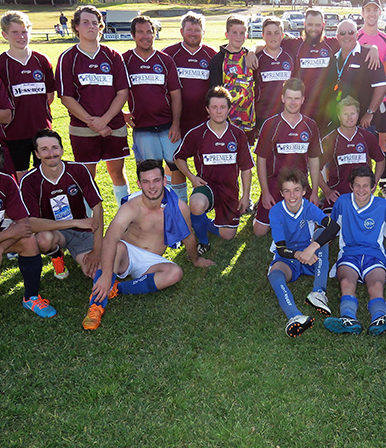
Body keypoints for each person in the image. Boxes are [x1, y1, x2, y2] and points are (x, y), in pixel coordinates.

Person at [82, 159, 212, 331]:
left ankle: (117, 288)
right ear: (139, 184)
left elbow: (188, 235)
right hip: (126, 254)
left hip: (151, 261)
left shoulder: (178, 207)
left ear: (164, 181)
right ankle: (96, 307)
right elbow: (111, 238)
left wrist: (195, 259)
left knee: (175, 273)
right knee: (117, 247)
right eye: (146, 181)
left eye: (156, 180)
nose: (152, 187)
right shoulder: (132, 207)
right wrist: (106, 274)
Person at [56, 5, 130, 206]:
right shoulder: (68, 57)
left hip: (113, 126)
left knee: (117, 172)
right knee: (87, 175)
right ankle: (89, 219)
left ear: (101, 27)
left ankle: (125, 215)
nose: (91, 26)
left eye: (95, 23)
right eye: (85, 22)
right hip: (82, 128)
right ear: (76, 27)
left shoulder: (113, 56)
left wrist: (104, 121)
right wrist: (93, 123)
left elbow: (122, 92)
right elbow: (66, 97)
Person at [323, 166, 386, 336]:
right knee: (346, 282)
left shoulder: (382, 206)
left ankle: (379, 319)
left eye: (365, 186)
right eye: (357, 185)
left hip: (374, 255)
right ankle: (348, 319)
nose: (361, 190)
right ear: (351, 186)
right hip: (349, 254)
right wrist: (319, 251)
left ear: (373, 187)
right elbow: (332, 230)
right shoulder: (342, 203)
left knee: (376, 284)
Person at [174, 86, 253, 257]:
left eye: (222, 107)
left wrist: (246, 196)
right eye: (214, 107)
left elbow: (246, 168)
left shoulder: (238, 135)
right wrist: (192, 178)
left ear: (229, 109)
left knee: (227, 235)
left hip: (229, 191)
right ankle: (203, 241)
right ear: (207, 109)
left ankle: (203, 223)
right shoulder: (197, 133)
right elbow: (178, 157)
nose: (218, 111)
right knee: (196, 204)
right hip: (206, 187)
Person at [20, 129, 103, 283]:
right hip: (53, 231)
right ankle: (57, 256)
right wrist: (74, 222)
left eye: (54, 147)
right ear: (37, 154)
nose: (51, 153)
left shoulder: (78, 170)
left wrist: (97, 250)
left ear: (62, 149)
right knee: (43, 239)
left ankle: (82, 252)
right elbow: (30, 224)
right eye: (44, 149)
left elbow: (97, 207)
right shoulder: (29, 181)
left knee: (95, 271)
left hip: (81, 232)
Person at [279, 8, 379, 133]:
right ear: (305, 24)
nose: (314, 29)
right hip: (302, 107)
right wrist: (255, 50)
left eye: (317, 25)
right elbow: (271, 44)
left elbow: (352, 44)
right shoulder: (294, 44)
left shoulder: (332, 44)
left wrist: (373, 48)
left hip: (326, 108)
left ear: (323, 25)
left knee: (325, 142)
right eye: (310, 25)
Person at [267, 168, 340, 337]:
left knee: (321, 234)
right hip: (288, 258)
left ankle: (318, 292)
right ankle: (295, 316)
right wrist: (299, 255)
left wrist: (311, 248)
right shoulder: (276, 212)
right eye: (287, 191)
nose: (292, 196)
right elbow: (281, 249)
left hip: (310, 257)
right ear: (281, 193)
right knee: (274, 274)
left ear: (304, 191)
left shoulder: (308, 207)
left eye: (296, 190)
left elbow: (333, 227)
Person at [123, 15, 187, 202]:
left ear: (154, 34)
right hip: (143, 127)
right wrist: (121, 113)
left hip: (168, 126)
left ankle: (180, 206)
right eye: (140, 32)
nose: (145, 36)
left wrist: (176, 124)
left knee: (177, 167)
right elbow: (114, 92)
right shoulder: (125, 60)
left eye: (149, 32)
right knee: (150, 172)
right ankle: (155, 210)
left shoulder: (165, 60)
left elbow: (176, 94)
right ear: (133, 35)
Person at [253, 78, 321, 236]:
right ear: (283, 98)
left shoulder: (310, 125)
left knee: (315, 227)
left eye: (297, 98)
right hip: (275, 184)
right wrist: (265, 192)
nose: (293, 102)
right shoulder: (271, 124)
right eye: (289, 98)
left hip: (300, 186)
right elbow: (261, 160)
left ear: (303, 99)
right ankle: (262, 210)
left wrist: (314, 192)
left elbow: (314, 160)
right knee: (259, 231)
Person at [0, 11, 56, 181]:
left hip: (42, 131)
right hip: (14, 133)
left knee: (46, 174)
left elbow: (49, 96)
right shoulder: (2, 64)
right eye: (15, 32)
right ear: (5, 34)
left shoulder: (42, 60)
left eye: (24, 31)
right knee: (20, 177)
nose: (21, 36)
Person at [0, 161, 55, 318]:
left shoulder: (5, 181)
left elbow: (23, 225)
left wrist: (2, 246)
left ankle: (31, 297)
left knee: (28, 240)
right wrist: (5, 237)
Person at [323, 19, 386, 138]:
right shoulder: (334, 57)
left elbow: (381, 86)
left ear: (357, 35)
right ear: (337, 37)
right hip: (338, 122)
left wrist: (369, 113)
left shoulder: (369, 55)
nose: (347, 36)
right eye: (342, 33)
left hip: (364, 122)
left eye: (351, 32)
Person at [320, 96, 385, 212]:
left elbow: (380, 160)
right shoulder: (330, 139)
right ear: (339, 116)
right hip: (338, 194)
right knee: (331, 221)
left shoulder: (367, 137)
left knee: (369, 220)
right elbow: (315, 168)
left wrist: (374, 182)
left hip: (362, 194)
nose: (349, 117)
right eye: (345, 114)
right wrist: (327, 191)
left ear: (358, 115)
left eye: (352, 113)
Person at [162, 12, 217, 136]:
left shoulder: (212, 54)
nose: (193, 33)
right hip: (174, 120)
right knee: (178, 149)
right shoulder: (169, 53)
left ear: (203, 32)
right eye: (189, 30)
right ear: (182, 31)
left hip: (204, 119)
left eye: (197, 30)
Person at [357, 0, 386, 149]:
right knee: (361, 145)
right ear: (362, 13)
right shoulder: (355, 37)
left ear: (380, 12)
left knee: (381, 146)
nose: (371, 13)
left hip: (382, 100)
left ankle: (381, 167)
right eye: (368, 10)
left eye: (375, 10)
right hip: (361, 100)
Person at [209, 15, 256, 144]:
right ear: (227, 34)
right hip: (226, 121)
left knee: (246, 154)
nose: (238, 37)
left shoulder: (250, 57)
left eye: (242, 33)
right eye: (234, 32)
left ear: (247, 35)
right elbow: (214, 92)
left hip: (248, 119)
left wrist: (252, 50)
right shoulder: (218, 60)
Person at [254, 17, 293, 131]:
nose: (273, 37)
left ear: (282, 35)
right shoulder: (257, 58)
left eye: (276, 33)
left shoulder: (290, 56)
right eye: (269, 33)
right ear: (263, 35)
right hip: (263, 114)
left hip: (286, 114)